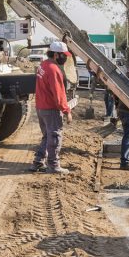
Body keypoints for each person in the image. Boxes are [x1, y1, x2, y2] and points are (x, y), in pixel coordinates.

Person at [31, 41, 73, 174]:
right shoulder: (54, 69)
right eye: (63, 55)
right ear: (56, 54)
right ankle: (53, 165)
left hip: (41, 107)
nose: (65, 58)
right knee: (54, 136)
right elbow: (58, 93)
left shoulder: (43, 65)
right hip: (51, 109)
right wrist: (66, 110)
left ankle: (38, 162)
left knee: (47, 135)